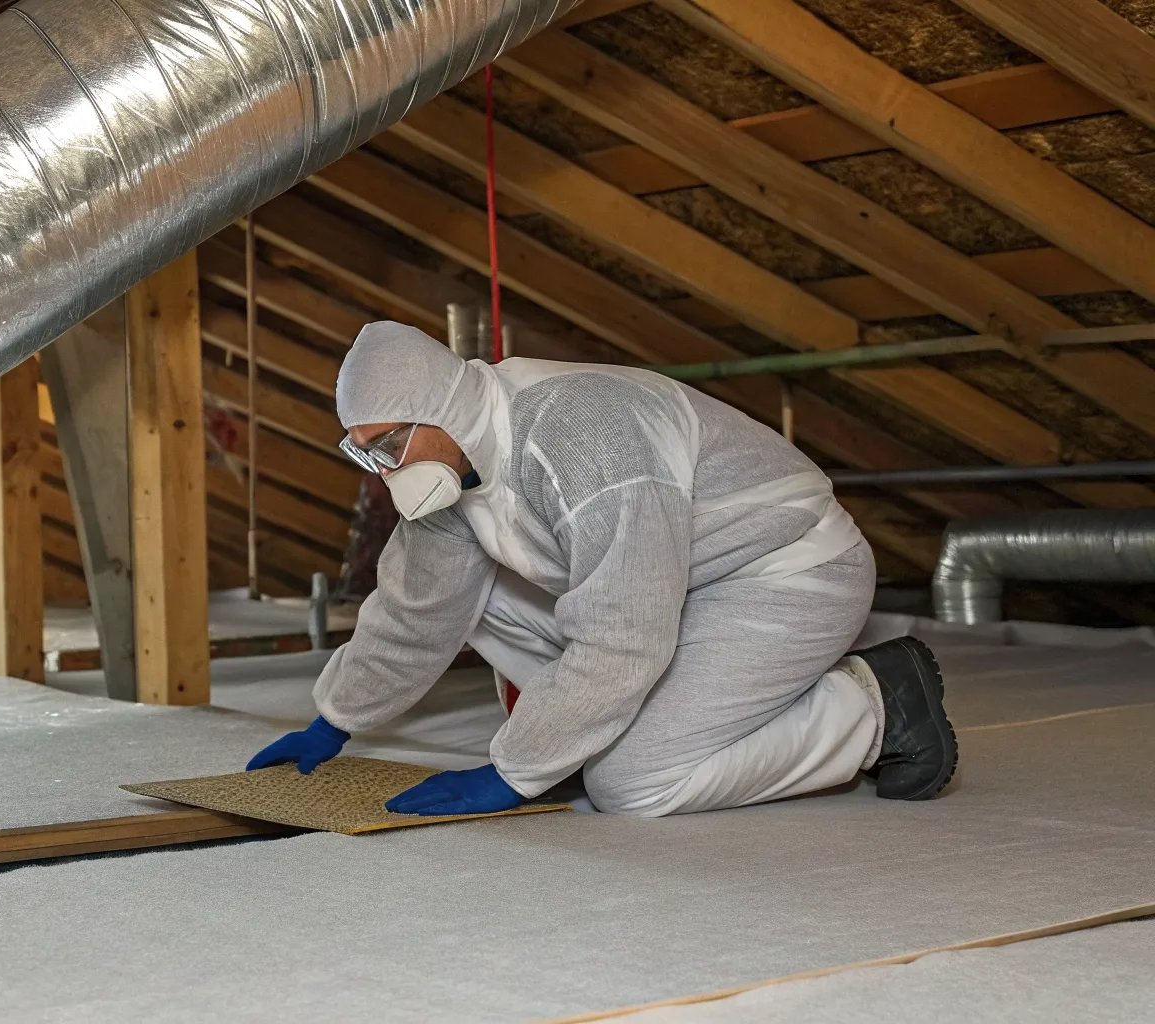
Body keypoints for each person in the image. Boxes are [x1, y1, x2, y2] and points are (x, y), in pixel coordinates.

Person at [247, 322, 957, 817]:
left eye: (392, 443)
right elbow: (415, 608)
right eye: (367, 452)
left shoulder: (580, 434)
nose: (385, 470)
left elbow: (625, 634)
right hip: (677, 583)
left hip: (785, 573)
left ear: (441, 408)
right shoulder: (452, 465)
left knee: (631, 781)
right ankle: (586, 720)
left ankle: (875, 705)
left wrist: (515, 770)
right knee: (465, 589)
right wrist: (335, 719)